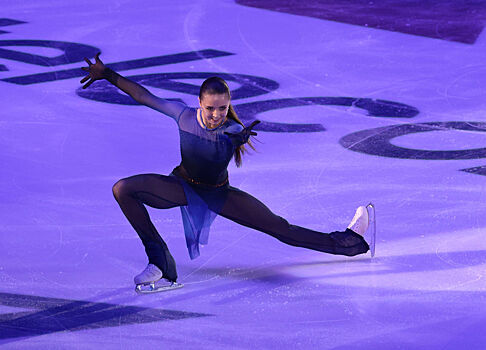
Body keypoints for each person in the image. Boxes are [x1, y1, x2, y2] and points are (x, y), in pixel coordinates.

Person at [80, 53, 373, 292]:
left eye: (222, 108)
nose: (217, 114)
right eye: (211, 108)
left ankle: (349, 242)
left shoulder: (232, 130)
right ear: (200, 103)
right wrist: (108, 74)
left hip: (218, 194)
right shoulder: (182, 116)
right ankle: (159, 262)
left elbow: (219, 157)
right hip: (182, 186)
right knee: (123, 188)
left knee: (281, 229)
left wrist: (234, 141)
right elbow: (144, 96)